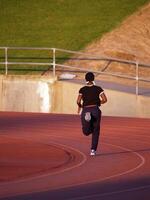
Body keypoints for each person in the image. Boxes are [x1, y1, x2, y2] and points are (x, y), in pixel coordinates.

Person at [77, 72, 107, 156]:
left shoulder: (82, 89)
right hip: (95, 110)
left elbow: (78, 101)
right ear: (93, 79)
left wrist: (80, 106)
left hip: (86, 109)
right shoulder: (98, 88)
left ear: (85, 79)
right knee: (96, 131)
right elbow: (105, 99)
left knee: (86, 132)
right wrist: (98, 103)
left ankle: (88, 120)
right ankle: (93, 150)